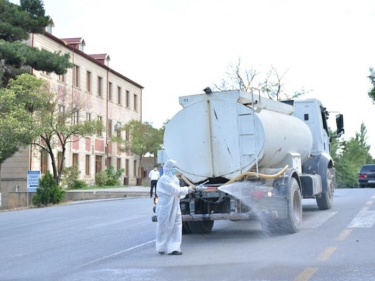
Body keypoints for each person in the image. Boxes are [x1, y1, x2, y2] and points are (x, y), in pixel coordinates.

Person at [155, 159, 195, 256]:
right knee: (165, 225)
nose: (175, 170)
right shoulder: (164, 179)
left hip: (175, 204)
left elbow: (178, 193)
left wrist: (184, 192)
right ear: (168, 168)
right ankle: (161, 247)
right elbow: (174, 190)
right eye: (174, 167)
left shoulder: (175, 179)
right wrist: (187, 189)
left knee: (177, 225)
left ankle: (174, 248)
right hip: (165, 205)